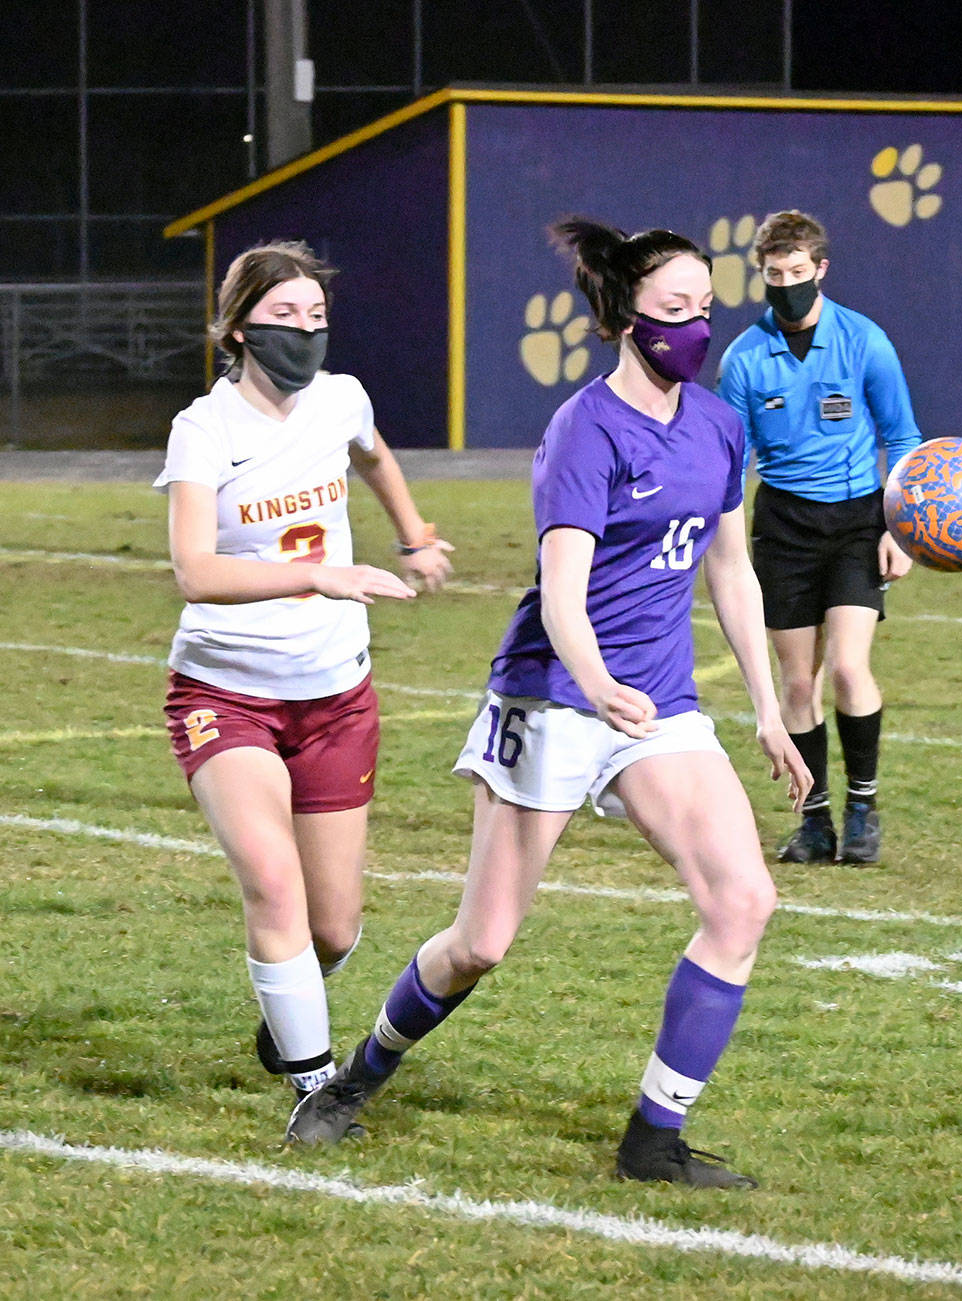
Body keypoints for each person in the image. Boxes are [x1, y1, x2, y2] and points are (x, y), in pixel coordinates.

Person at [287, 220, 811, 1189]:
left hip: (655, 702)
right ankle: (354, 1078)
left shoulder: (717, 421)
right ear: (624, 318)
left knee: (742, 898)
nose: (694, 327)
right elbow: (561, 593)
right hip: (557, 694)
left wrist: (769, 709)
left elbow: (729, 569)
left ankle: (652, 1137)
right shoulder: (584, 430)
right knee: (481, 941)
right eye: (672, 311)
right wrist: (598, 679)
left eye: (704, 307)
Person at [155, 240, 453, 1124]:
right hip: (225, 693)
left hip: (335, 697)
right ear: (239, 327)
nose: (306, 335)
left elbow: (375, 457)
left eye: (317, 318)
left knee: (334, 929)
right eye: (286, 317)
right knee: (273, 887)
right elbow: (195, 572)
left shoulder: (341, 399)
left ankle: (291, 1011)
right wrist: (313, 575)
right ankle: (315, 1084)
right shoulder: (204, 428)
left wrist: (414, 535)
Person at [718, 210, 922, 866]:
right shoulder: (744, 359)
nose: (786, 286)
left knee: (848, 667)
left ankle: (863, 811)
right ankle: (814, 821)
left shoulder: (866, 341)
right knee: (797, 683)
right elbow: (730, 465)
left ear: (821, 269)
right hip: (784, 526)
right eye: (774, 276)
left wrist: (901, 527)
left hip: (859, 520)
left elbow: (904, 437)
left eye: (798, 274)